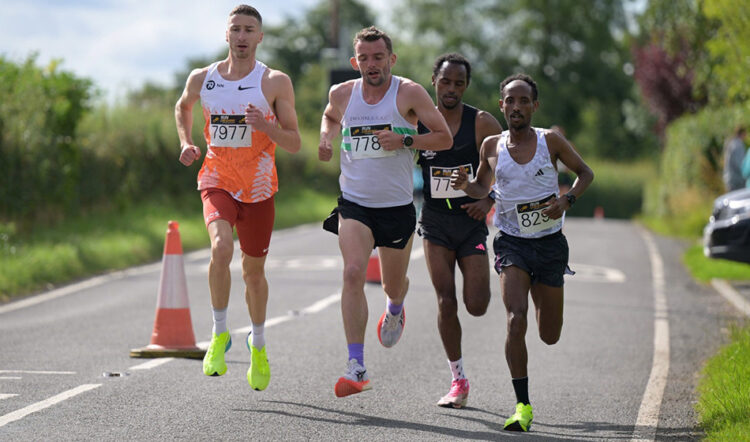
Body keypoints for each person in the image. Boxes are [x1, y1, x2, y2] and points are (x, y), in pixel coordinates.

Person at [451, 73, 594, 431]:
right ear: (501, 106)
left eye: (523, 101)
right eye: (510, 101)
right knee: (516, 319)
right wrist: (464, 186)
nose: (516, 107)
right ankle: (522, 406)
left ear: (534, 106)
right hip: (511, 243)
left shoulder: (552, 141)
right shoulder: (491, 147)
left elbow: (585, 173)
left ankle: (547, 316)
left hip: (549, 245)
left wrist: (566, 200)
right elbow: (481, 187)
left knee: (549, 334)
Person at [318, 26, 453, 398]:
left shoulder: (408, 92)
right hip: (354, 203)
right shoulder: (342, 93)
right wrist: (326, 137)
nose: (371, 64)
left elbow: (444, 138)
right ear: (354, 61)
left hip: (395, 207)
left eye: (378, 57)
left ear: (391, 59)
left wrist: (406, 139)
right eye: (364, 58)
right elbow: (330, 116)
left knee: (393, 284)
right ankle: (356, 366)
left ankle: (395, 305)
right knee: (352, 273)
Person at [174, 4, 301, 390]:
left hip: (260, 187)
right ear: (226, 35)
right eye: (236, 29)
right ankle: (218, 333)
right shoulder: (203, 77)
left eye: (249, 30)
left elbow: (294, 141)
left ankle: (258, 344)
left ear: (260, 37)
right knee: (221, 248)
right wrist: (186, 141)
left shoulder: (275, 82)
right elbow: (183, 107)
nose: (242, 36)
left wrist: (266, 126)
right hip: (217, 177)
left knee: (253, 273)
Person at [415, 53, 502, 408]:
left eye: (459, 83)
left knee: (477, 305)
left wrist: (489, 197)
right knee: (446, 300)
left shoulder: (481, 123)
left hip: (470, 223)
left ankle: (459, 377)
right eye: (446, 81)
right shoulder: (416, 118)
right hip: (435, 221)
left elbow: (508, 165)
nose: (451, 89)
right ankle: (458, 380)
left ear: (466, 86)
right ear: (434, 80)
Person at [723, 125, 747, 192]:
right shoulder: (737, 145)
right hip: (736, 180)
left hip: (729, 178)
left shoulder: (731, 143)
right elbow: (741, 165)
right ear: (742, 134)